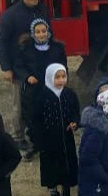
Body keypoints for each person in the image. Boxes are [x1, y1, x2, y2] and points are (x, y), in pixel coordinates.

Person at [0, 0, 47, 152]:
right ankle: (17, 136)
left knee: (37, 102)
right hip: (18, 68)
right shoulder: (11, 15)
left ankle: (35, 133)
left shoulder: (42, 11)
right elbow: (0, 41)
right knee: (18, 105)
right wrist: (6, 68)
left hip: (38, 66)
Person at [15, 19, 68, 156]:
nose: (41, 34)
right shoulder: (26, 49)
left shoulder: (57, 48)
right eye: (37, 32)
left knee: (53, 116)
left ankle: (53, 145)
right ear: (33, 33)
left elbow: (63, 66)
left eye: (43, 31)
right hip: (33, 90)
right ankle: (35, 145)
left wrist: (61, 79)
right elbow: (19, 66)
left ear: (48, 32)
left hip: (52, 88)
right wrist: (28, 77)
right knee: (33, 118)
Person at [33, 62, 81, 196]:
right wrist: (39, 143)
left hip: (66, 138)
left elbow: (75, 112)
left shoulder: (69, 94)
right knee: (52, 168)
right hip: (49, 140)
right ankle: (54, 195)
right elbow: (35, 120)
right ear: (49, 78)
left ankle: (66, 194)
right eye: (57, 77)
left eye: (63, 76)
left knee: (67, 166)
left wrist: (75, 122)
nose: (61, 80)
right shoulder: (42, 97)